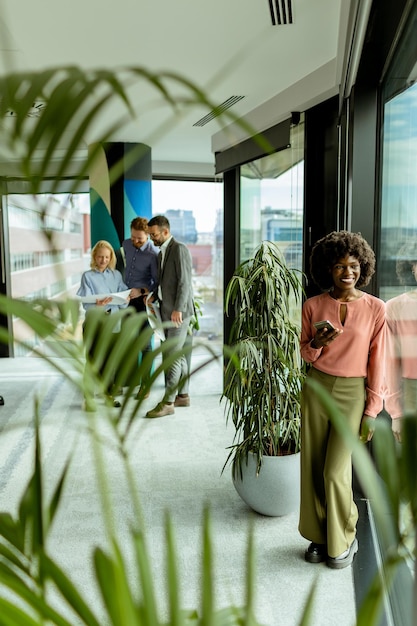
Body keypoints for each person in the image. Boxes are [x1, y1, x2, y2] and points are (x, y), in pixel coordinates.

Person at [299, 231, 385, 569]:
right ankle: (319, 536)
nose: (346, 272)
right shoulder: (313, 305)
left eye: (353, 265)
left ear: (362, 267)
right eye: (338, 266)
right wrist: (318, 342)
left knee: (335, 471)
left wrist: (373, 409)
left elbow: (378, 361)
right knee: (314, 467)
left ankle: (345, 536)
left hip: (353, 393)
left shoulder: (376, 309)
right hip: (317, 388)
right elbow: (305, 354)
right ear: (328, 269)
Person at [145, 215, 194, 418]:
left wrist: (179, 309)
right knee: (178, 353)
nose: (151, 238)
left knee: (172, 355)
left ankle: (168, 402)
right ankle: (182, 395)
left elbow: (184, 282)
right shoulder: (161, 254)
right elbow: (166, 282)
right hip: (166, 311)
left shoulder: (179, 249)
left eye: (154, 234)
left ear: (165, 232)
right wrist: (152, 296)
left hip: (178, 313)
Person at [77, 240, 130, 408]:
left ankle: (108, 395)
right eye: (100, 257)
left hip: (113, 323)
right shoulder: (87, 276)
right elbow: (86, 303)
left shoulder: (116, 276)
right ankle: (88, 399)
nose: (103, 260)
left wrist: (126, 299)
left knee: (109, 361)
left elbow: (122, 301)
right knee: (92, 360)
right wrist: (97, 306)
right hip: (94, 322)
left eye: (107, 257)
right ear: (94, 257)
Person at [122, 217, 159, 397]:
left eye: (140, 239)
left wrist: (141, 290)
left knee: (145, 345)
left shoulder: (153, 254)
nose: (135, 241)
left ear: (148, 237)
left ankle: (146, 385)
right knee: (126, 341)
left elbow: (157, 282)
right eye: (133, 237)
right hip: (125, 299)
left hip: (143, 301)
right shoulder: (126, 244)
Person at [385, 240, 417, 443]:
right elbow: (390, 363)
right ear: (412, 268)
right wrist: (396, 413)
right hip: (411, 392)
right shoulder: (394, 307)